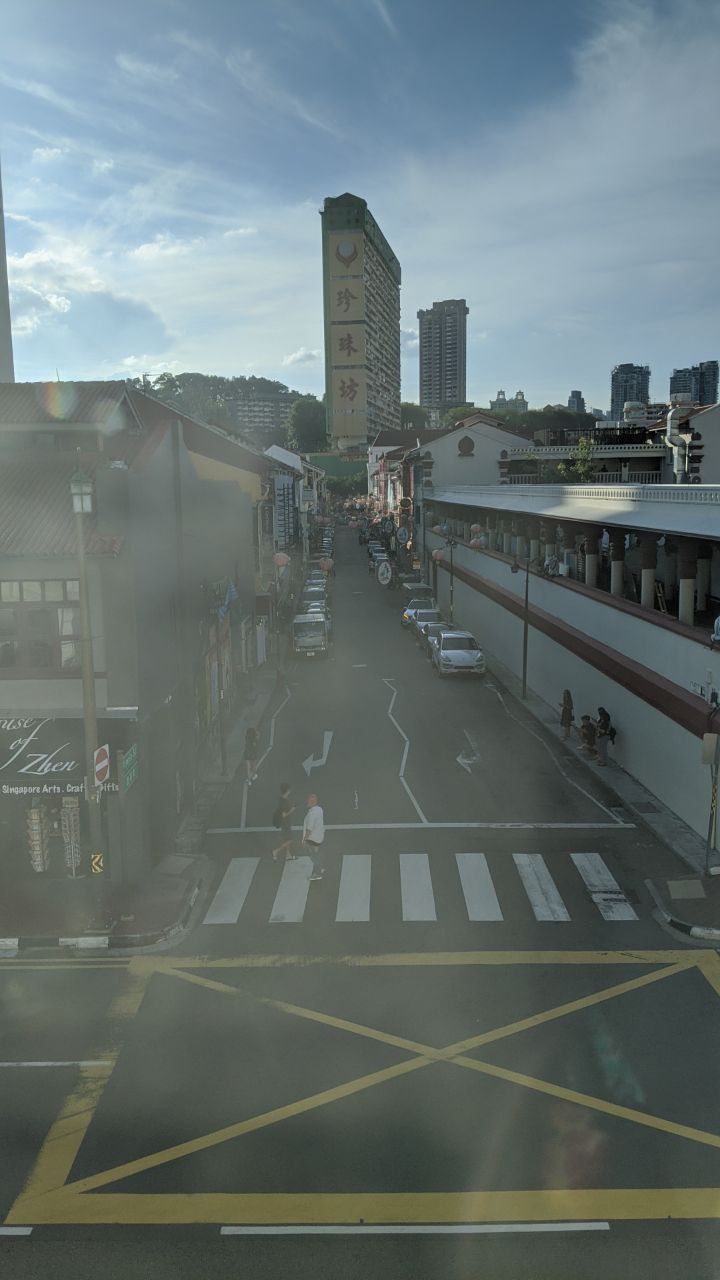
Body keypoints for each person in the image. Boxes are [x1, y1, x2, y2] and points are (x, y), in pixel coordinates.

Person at [302, 793, 325, 881]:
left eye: (308, 801)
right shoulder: (319, 809)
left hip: (312, 838)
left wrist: (304, 840)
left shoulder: (312, 814)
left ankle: (317, 873)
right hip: (319, 836)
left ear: (312, 802)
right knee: (316, 853)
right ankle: (320, 868)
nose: (306, 802)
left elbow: (309, 829)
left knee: (312, 855)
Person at [271, 784, 295, 861]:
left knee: (287, 839)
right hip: (285, 823)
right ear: (287, 790)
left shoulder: (281, 799)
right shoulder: (284, 801)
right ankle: (276, 851)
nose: (290, 791)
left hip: (285, 822)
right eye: (289, 789)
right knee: (290, 840)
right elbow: (284, 815)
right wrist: (292, 810)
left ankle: (288, 855)